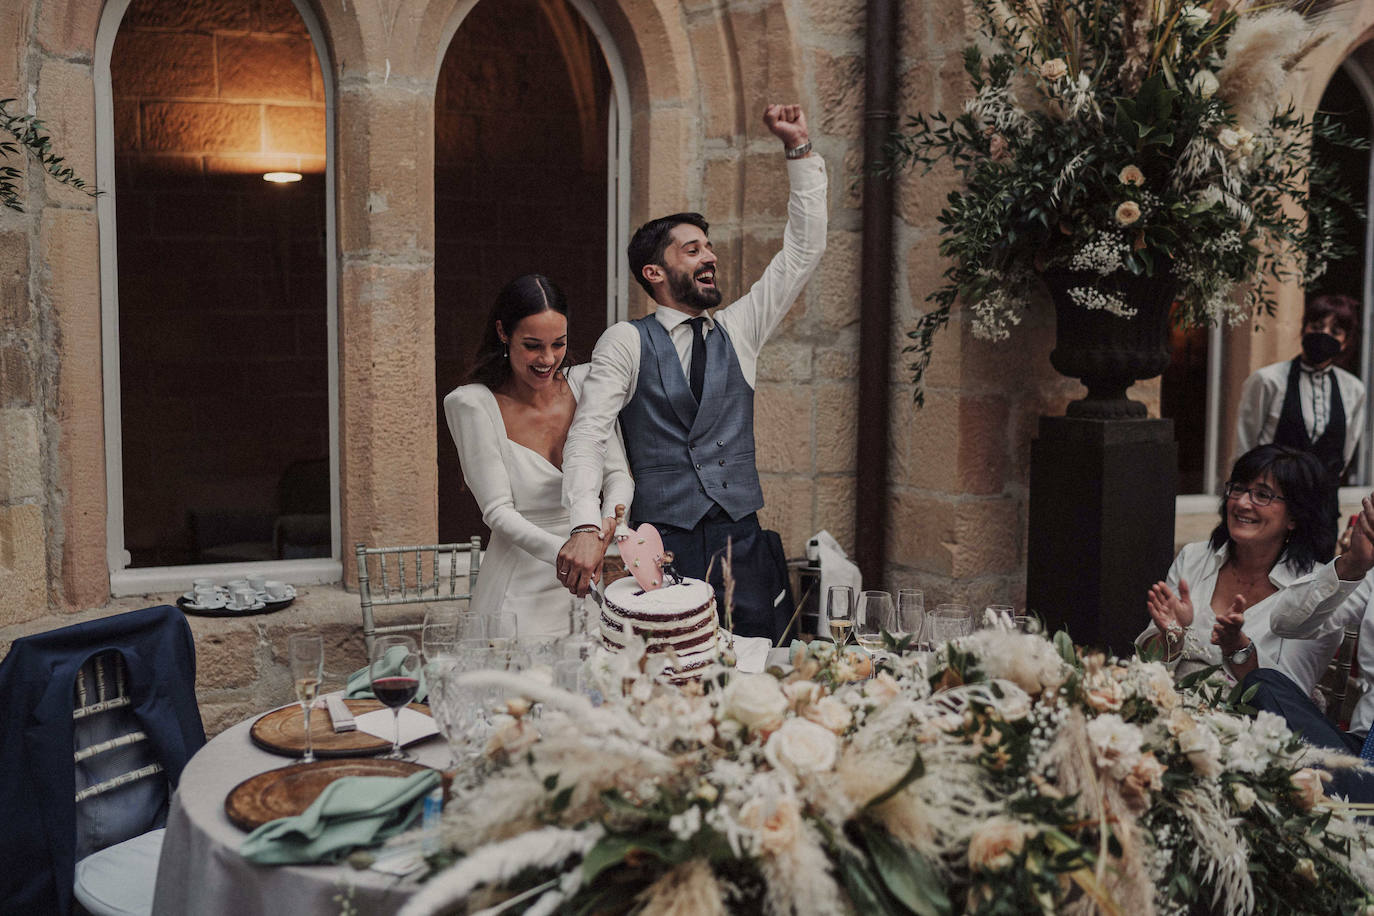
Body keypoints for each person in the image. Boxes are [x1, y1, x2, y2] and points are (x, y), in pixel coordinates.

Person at [554, 103, 827, 641]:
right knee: (674, 678)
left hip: (742, 545)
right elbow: (587, 436)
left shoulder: (740, 329)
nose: (711, 257)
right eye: (693, 249)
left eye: (710, 247)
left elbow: (802, 252)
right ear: (654, 272)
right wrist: (586, 524)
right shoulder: (626, 340)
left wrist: (798, 150)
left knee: (758, 677)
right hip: (661, 550)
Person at [443, 274, 632, 638]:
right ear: (503, 332)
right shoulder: (472, 404)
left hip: (587, 580)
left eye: (558, 344)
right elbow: (497, 511)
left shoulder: (586, 384)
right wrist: (567, 551)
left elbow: (618, 476)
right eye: (533, 346)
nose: (548, 359)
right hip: (518, 592)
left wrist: (605, 528)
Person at [1137, 445, 1365, 700]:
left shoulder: (1316, 592)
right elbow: (1147, 666)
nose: (1243, 503)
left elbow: (1288, 703)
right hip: (1171, 715)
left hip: (1255, 732)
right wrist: (1173, 634)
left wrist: (1238, 648)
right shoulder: (1194, 558)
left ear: (1294, 516)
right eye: (1238, 489)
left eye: (1263, 495)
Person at [1246, 494, 1374, 803]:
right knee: (1263, 683)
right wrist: (1352, 564)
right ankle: (1355, 808)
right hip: (1358, 755)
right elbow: (1286, 623)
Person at [1234, 294, 1366, 506]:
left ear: (1345, 341)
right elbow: (1245, 445)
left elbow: (1345, 452)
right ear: (1304, 329)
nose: (1324, 335)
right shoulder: (1268, 380)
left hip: (1323, 507)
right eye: (1316, 326)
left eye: (1335, 331)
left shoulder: (1353, 389)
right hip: (1271, 503)